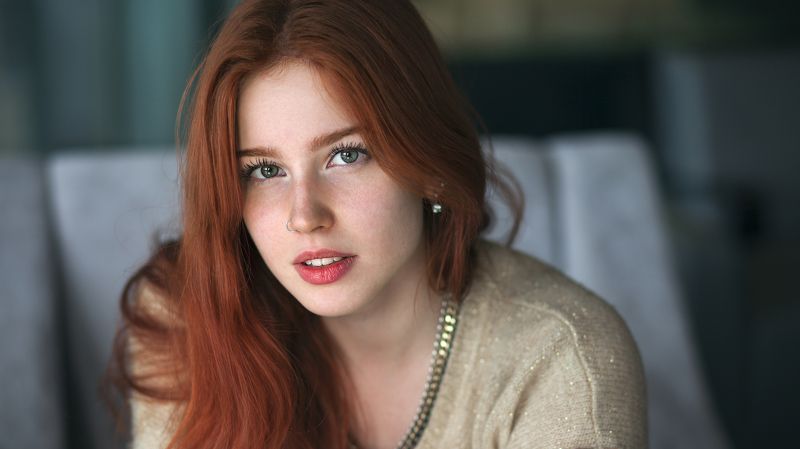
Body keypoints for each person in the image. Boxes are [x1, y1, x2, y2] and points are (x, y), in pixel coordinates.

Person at [107, 0, 647, 448]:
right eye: (265, 170)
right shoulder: (184, 316)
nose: (304, 216)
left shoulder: (560, 357)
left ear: (427, 161)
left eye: (347, 155)